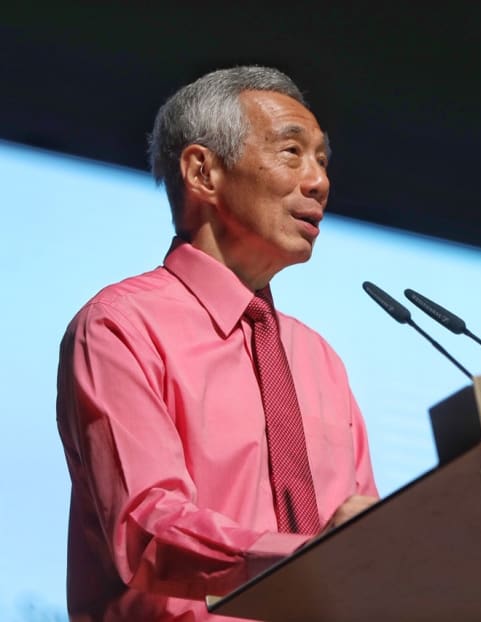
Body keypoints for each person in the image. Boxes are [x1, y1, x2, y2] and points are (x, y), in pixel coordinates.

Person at [56, 66, 379, 621]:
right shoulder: (120, 327)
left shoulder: (320, 361)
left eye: (322, 160)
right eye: (291, 152)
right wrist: (309, 559)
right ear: (203, 172)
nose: (319, 181)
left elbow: (370, 545)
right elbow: (147, 531)